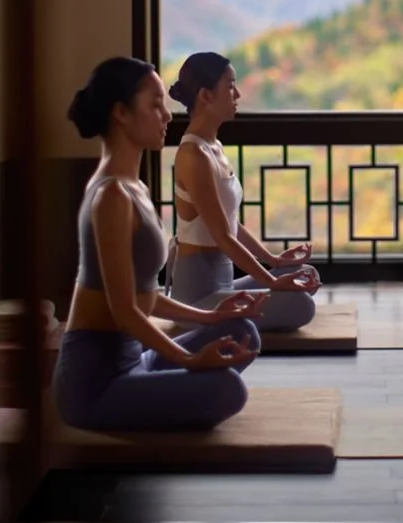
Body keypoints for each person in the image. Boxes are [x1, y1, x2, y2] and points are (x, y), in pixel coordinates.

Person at [51, 56, 268, 432]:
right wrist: (189, 359)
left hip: (138, 360)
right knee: (227, 389)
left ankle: (168, 388)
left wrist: (213, 317)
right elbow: (125, 311)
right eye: (154, 105)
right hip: (98, 383)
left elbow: (144, 296)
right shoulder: (112, 196)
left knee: (242, 330)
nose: (167, 115)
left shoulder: (133, 187)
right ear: (121, 113)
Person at [165, 51, 323, 332]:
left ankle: (272, 283)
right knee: (300, 306)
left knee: (304, 273)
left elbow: (229, 223)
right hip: (198, 299)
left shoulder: (214, 148)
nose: (237, 93)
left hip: (225, 285)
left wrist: (274, 261)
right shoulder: (193, 155)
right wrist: (272, 282)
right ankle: (204, 318)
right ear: (206, 96)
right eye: (229, 85)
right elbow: (223, 236)